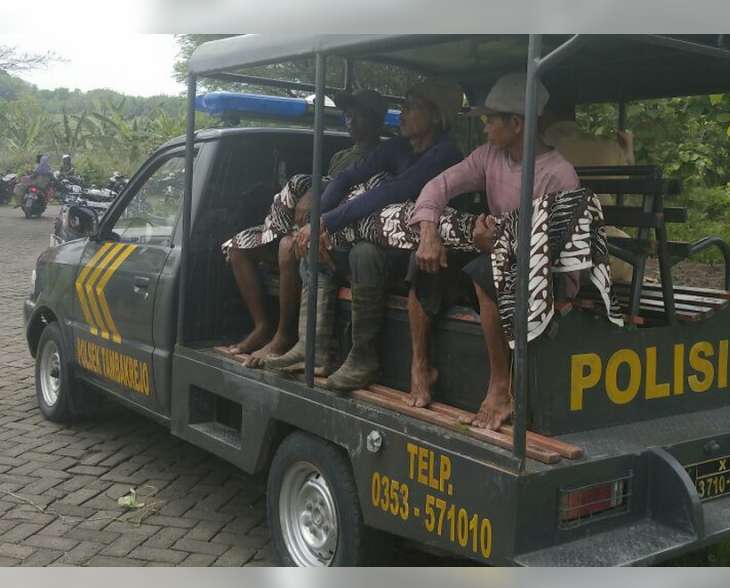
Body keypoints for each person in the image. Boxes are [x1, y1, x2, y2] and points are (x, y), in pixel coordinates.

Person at [264, 79, 464, 392]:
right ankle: (312, 347)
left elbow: (396, 190)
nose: (403, 113)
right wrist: (318, 224)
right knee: (314, 246)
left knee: (363, 252)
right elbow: (346, 177)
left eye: (412, 106)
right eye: (403, 105)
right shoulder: (397, 147)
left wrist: (326, 222)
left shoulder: (444, 153)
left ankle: (364, 357)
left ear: (436, 116)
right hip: (381, 237)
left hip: (421, 251)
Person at [408, 73, 581, 430]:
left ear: (516, 124)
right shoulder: (490, 156)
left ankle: (502, 387)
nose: (485, 129)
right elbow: (439, 185)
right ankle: (421, 366)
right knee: (426, 260)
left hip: (549, 277)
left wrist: (502, 242)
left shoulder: (560, 174)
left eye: (490, 121)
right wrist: (428, 231)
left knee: (488, 269)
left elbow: (556, 252)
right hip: (501, 260)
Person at [222, 89, 387, 362]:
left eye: (359, 115)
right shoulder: (341, 156)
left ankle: (284, 335)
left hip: (337, 231)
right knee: (238, 247)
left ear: (376, 120)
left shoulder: (382, 155)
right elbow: (329, 183)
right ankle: (262, 326)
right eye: (348, 115)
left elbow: (353, 196)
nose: (350, 121)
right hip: (307, 227)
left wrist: (315, 199)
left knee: (288, 246)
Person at [540, 98, 635, 283]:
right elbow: (628, 183)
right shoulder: (607, 147)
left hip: (543, 255)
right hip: (598, 253)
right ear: (572, 117)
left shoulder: (534, 151)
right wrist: (628, 150)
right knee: (627, 250)